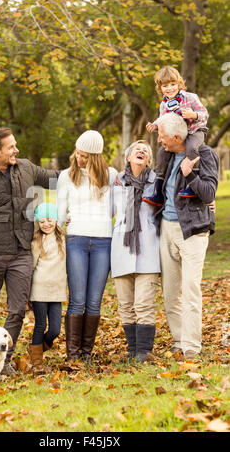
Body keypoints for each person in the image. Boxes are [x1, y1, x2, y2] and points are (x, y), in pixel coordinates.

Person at [0, 127, 59, 376]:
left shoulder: (26, 168)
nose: (16, 150)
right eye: (11, 147)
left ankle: (3, 361)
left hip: (22, 254)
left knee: (17, 310)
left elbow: (57, 178)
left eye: (16, 145)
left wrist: (85, 166)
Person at [154, 113, 218, 360]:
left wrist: (190, 174)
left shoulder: (205, 154)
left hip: (192, 230)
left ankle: (192, 347)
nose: (159, 140)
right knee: (171, 292)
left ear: (177, 137)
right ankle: (179, 341)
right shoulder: (167, 156)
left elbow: (209, 192)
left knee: (190, 290)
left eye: (162, 136)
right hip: (167, 229)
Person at [57, 130, 117, 363]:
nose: (80, 159)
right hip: (76, 240)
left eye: (85, 156)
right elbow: (61, 210)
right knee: (78, 299)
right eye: (78, 154)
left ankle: (86, 353)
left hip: (103, 240)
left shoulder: (111, 175)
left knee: (94, 300)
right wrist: (59, 229)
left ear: (96, 157)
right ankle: (73, 355)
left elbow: (114, 207)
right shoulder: (65, 176)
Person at [111, 140, 160, 363]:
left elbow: (173, 206)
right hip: (121, 248)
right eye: (137, 150)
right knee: (126, 305)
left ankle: (143, 352)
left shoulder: (157, 182)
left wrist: (208, 205)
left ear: (148, 159)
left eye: (146, 151)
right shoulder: (116, 184)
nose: (142, 151)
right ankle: (132, 352)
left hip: (148, 248)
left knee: (144, 304)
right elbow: (103, 210)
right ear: (128, 157)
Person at [144, 65, 209, 205]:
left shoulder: (190, 98)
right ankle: (158, 191)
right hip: (177, 135)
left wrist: (194, 114)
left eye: (173, 84)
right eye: (165, 85)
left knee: (192, 148)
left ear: (179, 84)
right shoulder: (164, 105)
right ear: (160, 88)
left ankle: (192, 185)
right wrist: (155, 126)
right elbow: (163, 121)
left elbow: (205, 114)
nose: (170, 88)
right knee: (161, 154)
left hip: (194, 130)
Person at [28, 202, 67, 374]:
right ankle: (36, 362)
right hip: (39, 288)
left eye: (50, 220)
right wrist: (27, 293)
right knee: (40, 324)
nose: (46, 224)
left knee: (55, 329)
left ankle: (35, 350)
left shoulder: (64, 238)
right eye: (42, 221)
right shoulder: (37, 241)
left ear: (56, 220)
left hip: (57, 289)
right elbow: (31, 267)